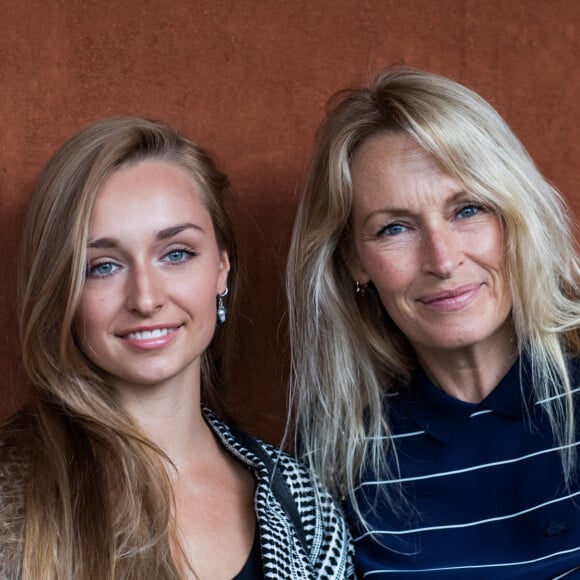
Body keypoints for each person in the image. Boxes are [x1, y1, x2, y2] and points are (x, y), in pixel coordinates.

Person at [0, 116, 353, 579]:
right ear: (62, 289)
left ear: (222, 267)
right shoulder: (11, 494)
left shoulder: (304, 505)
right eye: (103, 266)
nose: (146, 299)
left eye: (176, 254)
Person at [287, 67, 580, 578]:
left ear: (516, 218)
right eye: (394, 228)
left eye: (468, 209)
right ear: (355, 260)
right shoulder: (338, 450)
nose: (442, 260)